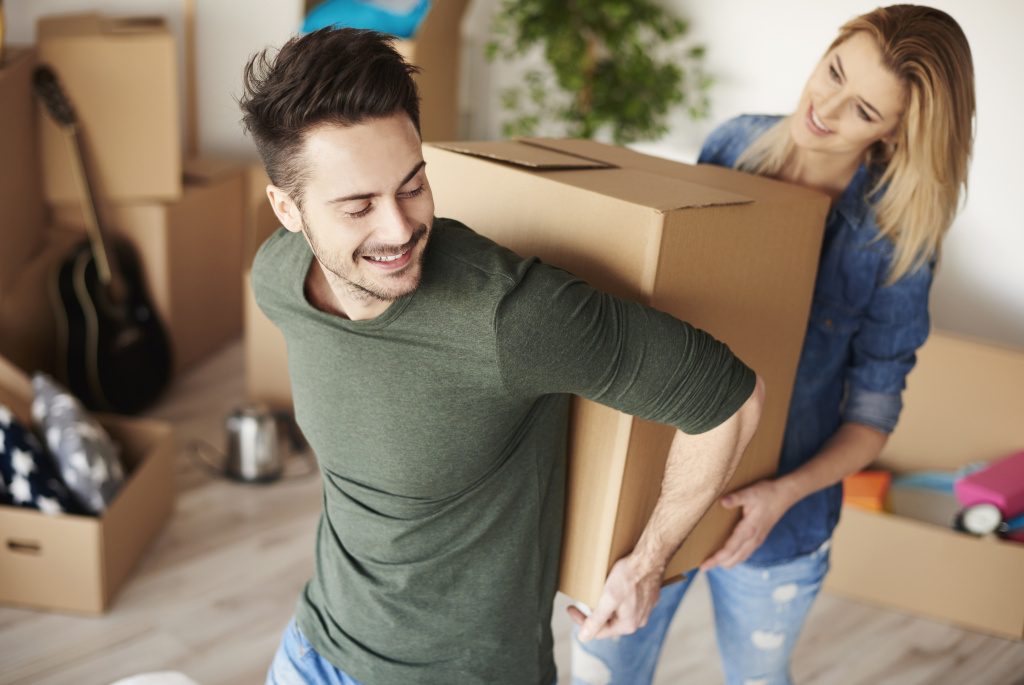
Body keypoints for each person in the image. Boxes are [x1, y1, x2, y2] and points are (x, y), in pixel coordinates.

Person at [239, 27, 765, 685]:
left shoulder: (508, 318)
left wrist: (649, 561)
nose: (400, 228)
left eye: (412, 186)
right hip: (314, 648)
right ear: (288, 210)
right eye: (358, 206)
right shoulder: (277, 279)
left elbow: (730, 397)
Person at [571, 5, 976, 685]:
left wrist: (780, 494)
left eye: (863, 110)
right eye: (834, 71)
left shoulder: (894, 240)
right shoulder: (733, 144)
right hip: (658, 491)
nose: (825, 107)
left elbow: (872, 419)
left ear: (897, 132)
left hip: (782, 518)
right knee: (600, 673)